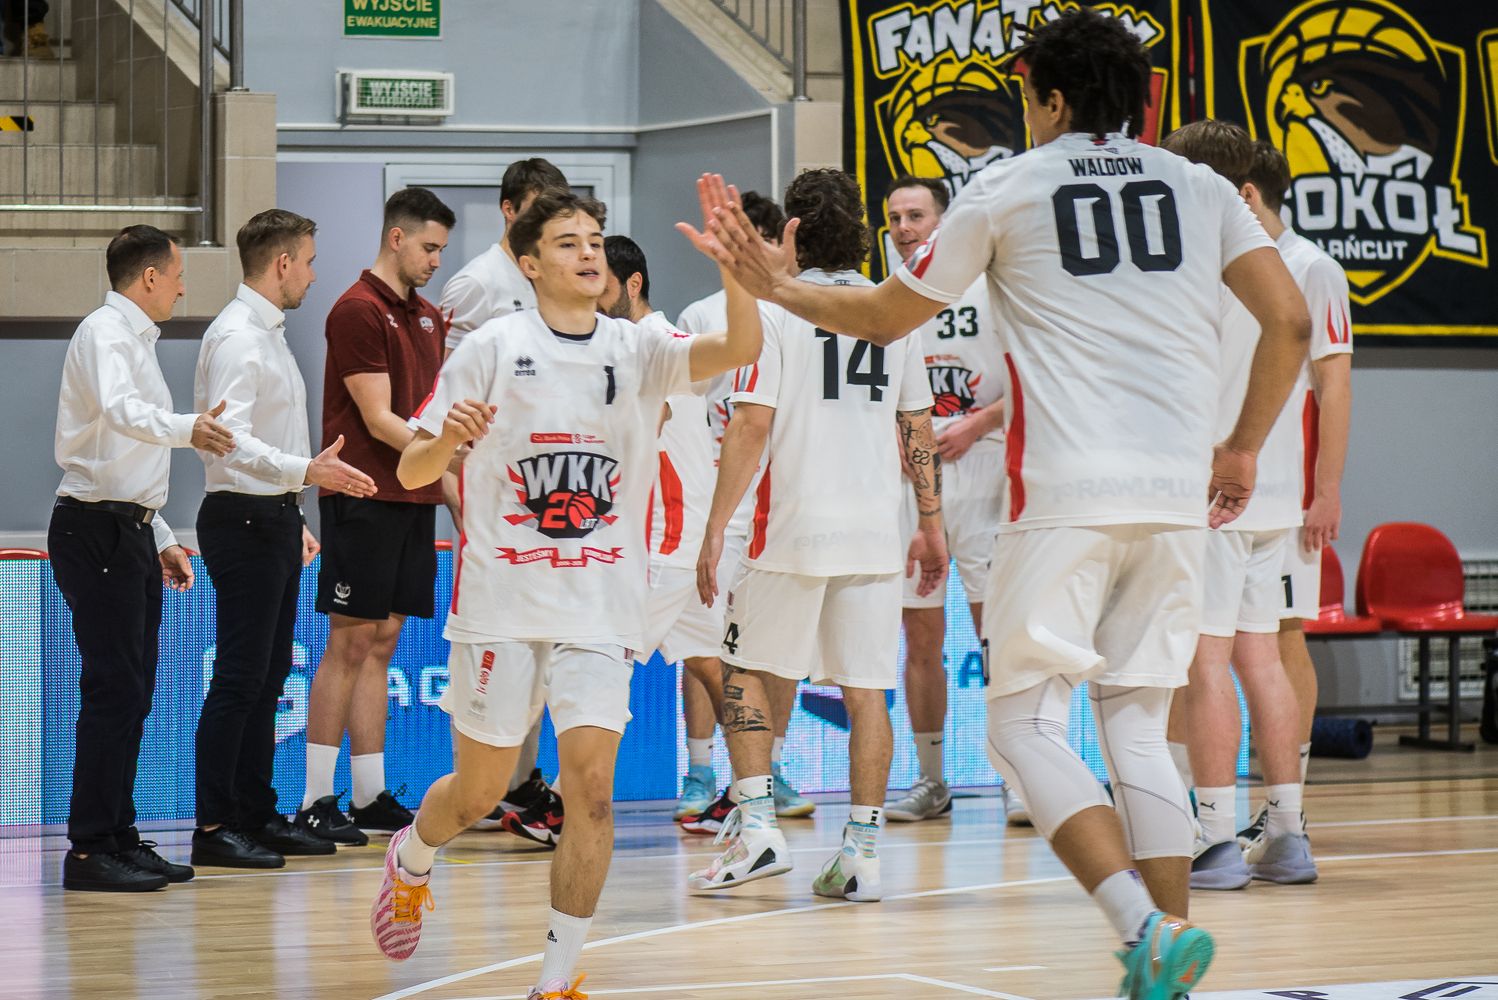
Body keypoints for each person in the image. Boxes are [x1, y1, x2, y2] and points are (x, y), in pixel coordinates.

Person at [687, 9, 1313, 994]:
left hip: (1064, 494)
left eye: (1025, 95)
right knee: (1137, 729)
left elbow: (885, 315)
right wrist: (1240, 447)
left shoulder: (1009, 185)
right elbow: (1290, 321)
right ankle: (1165, 963)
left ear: (1051, 97)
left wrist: (778, 287)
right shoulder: (1199, 187)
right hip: (1176, 500)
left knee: (1021, 730)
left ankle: (1141, 926)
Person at [369, 188, 762, 1000]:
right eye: (567, 241)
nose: (588, 252)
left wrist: (735, 270)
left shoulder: (639, 346)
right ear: (529, 262)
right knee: (480, 792)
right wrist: (447, 440)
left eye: (595, 239)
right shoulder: (491, 347)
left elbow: (742, 344)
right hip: (502, 604)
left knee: (590, 792)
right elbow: (411, 467)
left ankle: (555, 980)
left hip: (601, 608)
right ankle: (414, 855)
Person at [685, 168, 946, 902]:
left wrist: (714, 527)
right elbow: (917, 425)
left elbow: (751, 422)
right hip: (875, 533)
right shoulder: (893, 306)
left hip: (790, 528)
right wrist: (931, 522)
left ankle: (758, 830)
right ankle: (861, 852)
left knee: (743, 670)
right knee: (867, 692)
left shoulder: (775, 309)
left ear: (790, 230)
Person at [1158, 121, 1323, 890]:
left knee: (1207, 662)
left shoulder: (1197, 263)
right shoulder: (1281, 264)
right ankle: (1287, 832)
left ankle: (1216, 836)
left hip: (1213, 488)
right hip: (1273, 488)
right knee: (1263, 658)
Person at [191, 210, 379, 869]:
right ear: (282, 264)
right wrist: (305, 472)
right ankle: (216, 825)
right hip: (241, 519)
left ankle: (254, 812)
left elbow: (262, 441)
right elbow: (229, 440)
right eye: (309, 261)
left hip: (267, 515)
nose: (313, 274)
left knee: (268, 676)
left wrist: (291, 509)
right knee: (240, 678)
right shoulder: (240, 337)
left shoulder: (267, 333)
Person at [52, 224, 234, 892]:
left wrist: (160, 537)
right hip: (95, 529)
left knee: (133, 691)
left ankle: (118, 836)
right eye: (178, 275)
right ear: (150, 276)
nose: (183, 288)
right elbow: (123, 414)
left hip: (125, 529)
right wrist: (190, 428)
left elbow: (128, 460)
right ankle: (89, 850)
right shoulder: (104, 333)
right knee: (114, 689)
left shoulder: (135, 340)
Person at [297, 187, 453, 840]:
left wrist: (452, 490)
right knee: (350, 642)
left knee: (383, 643)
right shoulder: (357, 309)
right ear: (396, 237)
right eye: (429, 247)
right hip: (362, 496)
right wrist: (448, 460)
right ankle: (315, 799)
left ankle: (369, 793)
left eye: (441, 250)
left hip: (413, 499)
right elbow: (380, 419)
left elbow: (433, 418)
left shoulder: (429, 318)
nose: (436, 260)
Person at [874, 174, 1025, 827]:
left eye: (916, 215)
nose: (905, 227)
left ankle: (1016, 777)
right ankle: (931, 779)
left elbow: (1033, 379)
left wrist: (976, 423)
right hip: (913, 478)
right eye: (895, 217)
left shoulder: (992, 289)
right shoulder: (889, 298)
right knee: (920, 635)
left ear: (945, 220)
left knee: (998, 634)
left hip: (985, 467)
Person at [438, 156, 570, 835]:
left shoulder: (553, 284)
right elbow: (443, 407)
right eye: (538, 208)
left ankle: (521, 783)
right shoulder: (476, 284)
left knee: (545, 656)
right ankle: (484, 788)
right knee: (495, 653)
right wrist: (457, 491)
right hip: (495, 503)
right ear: (510, 210)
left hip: (555, 504)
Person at [674, 191, 814, 825]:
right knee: (706, 640)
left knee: (775, 644)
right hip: (720, 500)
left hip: (784, 501)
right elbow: (685, 408)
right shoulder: (701, 314)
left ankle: (769, 766)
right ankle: (700, 770)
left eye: (756, 235)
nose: (746, 245)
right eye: (736, 235)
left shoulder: (802, 308)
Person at [1238, 139, 1353, 858]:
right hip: (1227, 493)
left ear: (1246, 194)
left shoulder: (1312, 266)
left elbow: (1334, 384)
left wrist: (1327, 490)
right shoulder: (1228, 265)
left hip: (1284, 495)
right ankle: (1203, 811)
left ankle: (1287, 810)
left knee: (1283, 637)